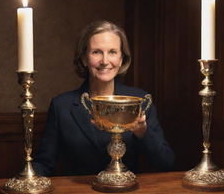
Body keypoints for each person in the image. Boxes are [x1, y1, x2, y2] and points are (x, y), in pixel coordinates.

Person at [33, 20, 175, 176]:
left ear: (121, 59)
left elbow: (166, 163)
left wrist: (143, 132)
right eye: (96, 52)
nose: (105, 61)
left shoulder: (139, 101)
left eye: (112, 52)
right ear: (84, 58)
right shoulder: (61, 106)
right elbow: (44, 163)